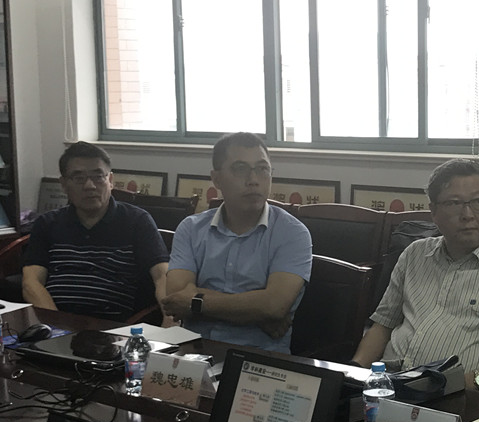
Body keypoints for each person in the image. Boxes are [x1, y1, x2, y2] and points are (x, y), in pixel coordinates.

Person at [351, 159, 479, 392]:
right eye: (454, 203)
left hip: (460, 394)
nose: (467, 214)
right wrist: (353, 373)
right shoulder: (415, 254)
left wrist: (469, 383)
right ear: (434, 211)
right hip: (389, 385)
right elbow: (383, 325)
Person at [162, 132, 312, 353]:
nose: (254, 180)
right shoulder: (191, 228)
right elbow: (176, 299)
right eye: (240, 169)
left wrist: (196, 302)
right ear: (216, 179)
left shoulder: (292, 233)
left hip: (258, 361)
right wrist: (256, 312)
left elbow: (274, 306)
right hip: (195, 354)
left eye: (263, 169)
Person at [23, 142, 169, 322]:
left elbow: (162, 276)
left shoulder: (137, 221)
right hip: (56, 323)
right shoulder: (47, 223)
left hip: (114, 328)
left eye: (98, 177)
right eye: (79, 178)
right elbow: (31, 282)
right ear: (64, 184)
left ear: (111, 181)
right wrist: (58, 326)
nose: (89, 186)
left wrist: (170, 320)